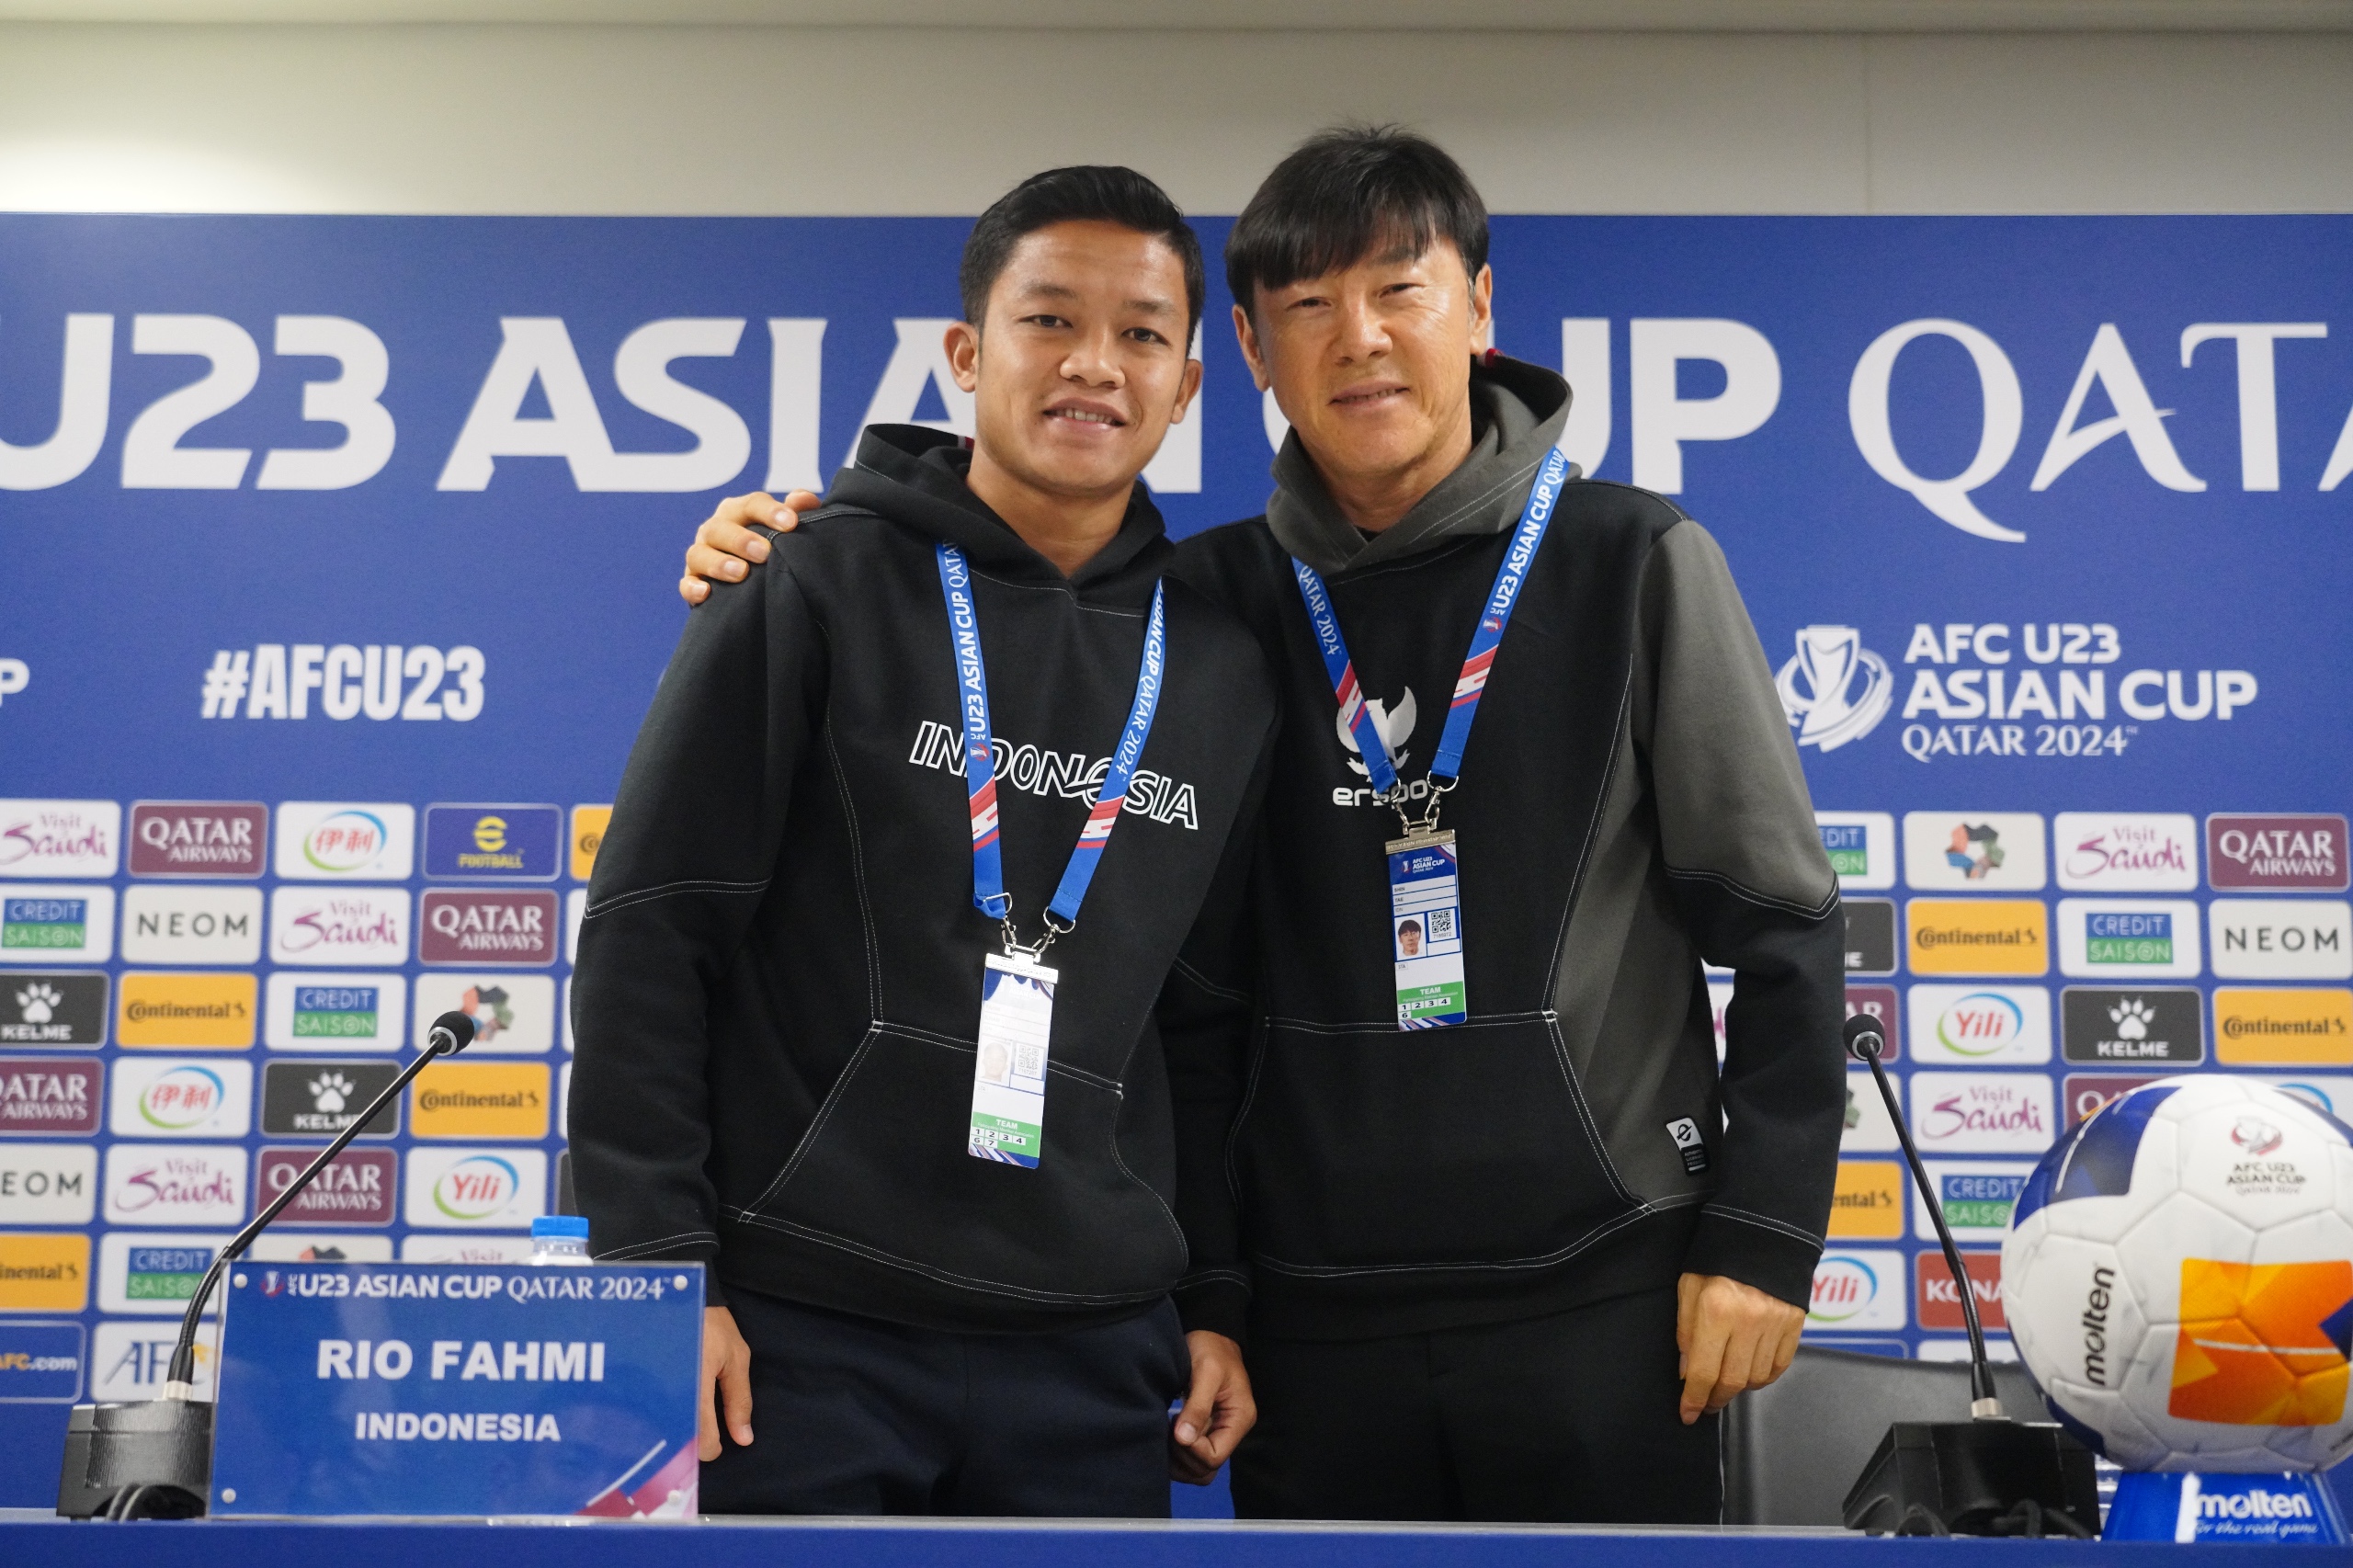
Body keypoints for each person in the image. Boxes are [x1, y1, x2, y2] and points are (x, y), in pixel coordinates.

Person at [679, 127, 1847, 1524]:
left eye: (1400, 291)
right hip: (1309, 1326)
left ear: (1478, 308)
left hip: (1607, 1291)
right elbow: (1189, 1004)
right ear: (1244, 349)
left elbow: (1785, 926)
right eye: (1308, 305)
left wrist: (1764, 1233)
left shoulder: (1635, 560)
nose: (1359, 339)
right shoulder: (1205, 608)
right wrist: (773, 543)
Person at [571, 165, 1274, 1517]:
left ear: (1187, 385)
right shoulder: (804, 576)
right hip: (799, 1329)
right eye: (1048, 320)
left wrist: (1215, 1297)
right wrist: (658, 1268)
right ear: (966, 352)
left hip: (1092, 1345)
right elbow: (656, 934)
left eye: (1140, 334)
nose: (1094, 364)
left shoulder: (1221, 666)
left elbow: (1205, 1025)